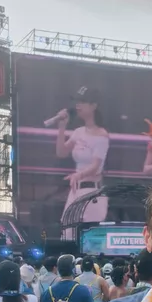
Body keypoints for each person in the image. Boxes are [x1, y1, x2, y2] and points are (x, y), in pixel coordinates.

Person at [53, 87, 110, 228]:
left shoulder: (101, 135)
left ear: (94, 106)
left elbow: (96, 166)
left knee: (88, 236)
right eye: (77, 102)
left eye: (83, 102)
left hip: (92, 192)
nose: (78, 105)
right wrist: (62, 127)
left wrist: (79, 175)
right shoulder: (78, 132)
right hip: (75, 191)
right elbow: (61, 152)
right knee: (68, 231)